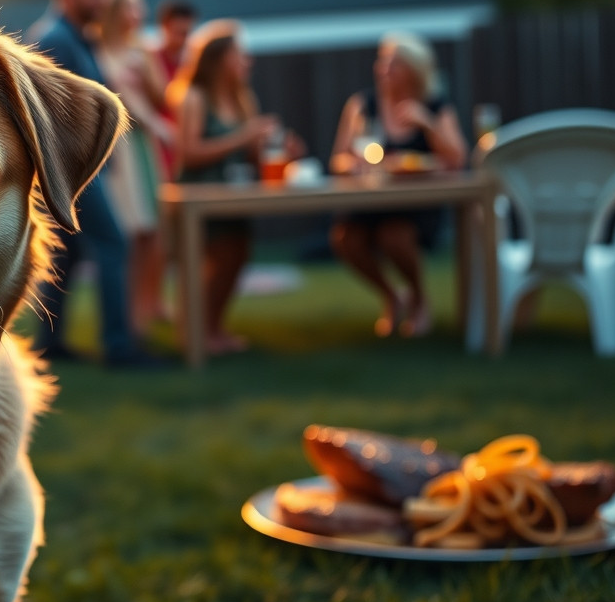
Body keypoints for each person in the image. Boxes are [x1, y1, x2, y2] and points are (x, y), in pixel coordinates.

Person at [28, 0, 163, 370]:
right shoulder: (56, 41)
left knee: (67, 254)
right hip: (74, 173)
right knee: (113, 244)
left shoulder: (73, 37)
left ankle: (51, 343)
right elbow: (56, 115)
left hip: (77, 172)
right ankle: (120, 347)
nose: (102, 2)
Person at [168, 20, 295, 355]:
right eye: (240, 54)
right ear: (219, 58)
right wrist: (244, 135)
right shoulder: (193, 97)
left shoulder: (242, 97)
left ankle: (213, 328)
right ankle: (195, 333)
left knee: (237, 254)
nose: (247, 61)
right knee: (215, 260)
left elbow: (252, 154)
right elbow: (189, 153)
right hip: (198, 195)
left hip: (232, 195)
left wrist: (278, 146)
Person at [329, 32, 467, 338]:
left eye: (395, 64)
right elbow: (339, 159)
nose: (384, 70)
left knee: (395, 235)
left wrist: (426, 124)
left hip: (415, 201)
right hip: (371, 198)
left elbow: (457, 159)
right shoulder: (363, 105)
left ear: (415, 69)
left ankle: (419, 299)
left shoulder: (434, 105)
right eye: (383, 62)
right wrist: (354, 164)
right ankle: (391, 295)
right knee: (344, 238)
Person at [96, 0, 174, 331]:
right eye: (132, 6)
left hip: (143, 147)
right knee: (128, 232)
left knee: (153, 231)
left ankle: (150, 304)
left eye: (139, 6)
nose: (138, 13)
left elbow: (163, 99)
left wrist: (146, 70)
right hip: (118, 151)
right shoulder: (97, 50)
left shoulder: (141, 50)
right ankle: (129, 316)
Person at [150, 0, 197, 178]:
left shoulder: (193, 61)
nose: (184, 39)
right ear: (165, 27)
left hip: (184, 141)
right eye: (179, 32)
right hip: (161, 143)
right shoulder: (151, 58)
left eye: (187, 33)